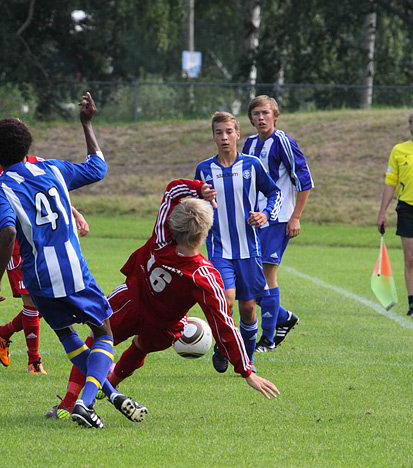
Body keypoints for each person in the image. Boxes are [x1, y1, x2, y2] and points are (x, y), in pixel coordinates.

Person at [47, 179, 280, 419]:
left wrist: (198, 188)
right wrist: (246, 371)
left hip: (131, 301)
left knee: (97, 343)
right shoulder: (204, 276)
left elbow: (171, 191)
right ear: (205, 232)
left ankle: (67, 405)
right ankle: (111, 384)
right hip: (163, 325)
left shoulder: (161, 238)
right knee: (140, 347)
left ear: (171, 224)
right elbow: (224, 324)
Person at [0, 92, 147, 429]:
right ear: (28, 146)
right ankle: (86, 402)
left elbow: (9, 231)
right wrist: (87, 125)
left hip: (37, 278)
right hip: (72, 270)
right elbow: (98, 167)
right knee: (104, 332)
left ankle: (110, 395)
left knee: (66, 334)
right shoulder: (51, 168)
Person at [0, 158, 90, 374]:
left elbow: (54, 192)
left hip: (42, 240)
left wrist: (76, 214)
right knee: (31, 300)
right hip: (16, 244)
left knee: (45, 300)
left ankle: (4, 332)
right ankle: (34, 361)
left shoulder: (40, 164)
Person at [195, 112, 282, 373]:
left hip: (249, 249)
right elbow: (195, 203)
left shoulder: (252, 165)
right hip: (219, 248)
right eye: (218, 132)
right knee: (227, 300)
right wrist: (201, 195)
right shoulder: (203, 169)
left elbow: (274, 193)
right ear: (213, 136)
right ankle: (223, 346)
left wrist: (265, 215)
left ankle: (247, 357)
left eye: (228, 132)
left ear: (238, 134)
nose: (224, 137)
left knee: (247, 308)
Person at [242, 95, 314, 351]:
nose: (261, 118)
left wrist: (295, 216)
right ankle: (283, 317)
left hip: (278, 220)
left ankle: (268, 339)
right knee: (246, 278)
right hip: (253, 220)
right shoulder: (249, 144)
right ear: (250, 118)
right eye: (256, 114)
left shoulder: (283, 142)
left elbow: (304, 182)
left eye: (265, 113)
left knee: (265, 274)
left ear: (275, 115)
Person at [377, 111, 413, 317]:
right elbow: (391, 182)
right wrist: (382, 212)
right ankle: (412, 304)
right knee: (410, 258)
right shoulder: (399, 150)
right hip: (407, 208)